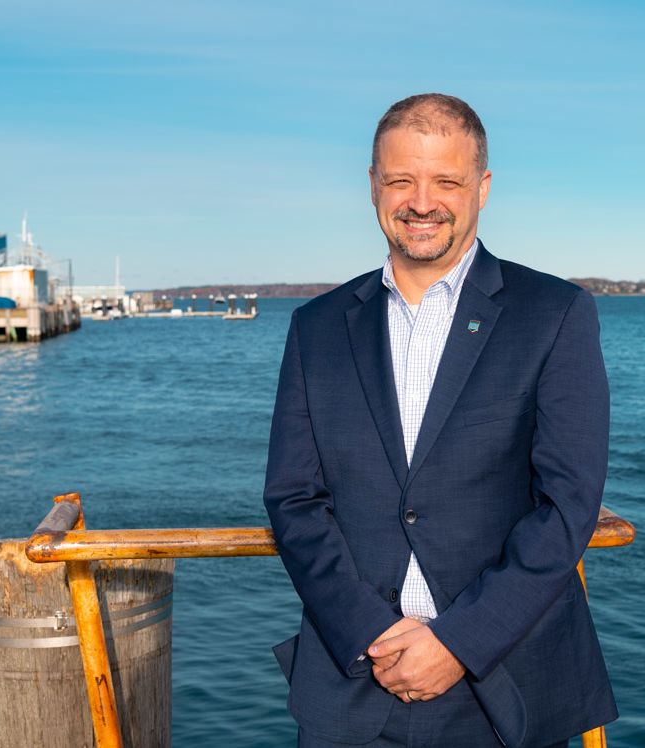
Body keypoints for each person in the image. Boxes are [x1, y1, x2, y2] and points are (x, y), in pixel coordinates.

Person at [264, 93, 616, 748]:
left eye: (445, 181)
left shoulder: (555, 313)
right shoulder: (315, 328)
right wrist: (371, 632)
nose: (421, 202)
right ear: (373, 185)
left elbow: (567, 505)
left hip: (504, 688)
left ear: (481, 187)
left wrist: (457, 642)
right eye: (401, 180)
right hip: (353, 683)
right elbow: (293, 499)